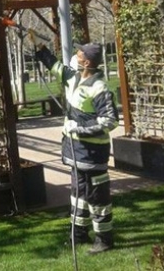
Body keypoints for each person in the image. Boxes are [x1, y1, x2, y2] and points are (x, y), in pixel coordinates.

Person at [34, 42, 119, 254]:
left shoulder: (99, 88)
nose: (75, 56)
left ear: (87, 62)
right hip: (75, 152)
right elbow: (56, 67)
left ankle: (104, 239)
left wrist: (79, 128)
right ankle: (79, 234)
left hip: (92, 154)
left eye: (79, 54)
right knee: (78, 194)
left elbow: (110, 121)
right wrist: (41, 51)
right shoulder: (73, 77)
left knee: (97, 197)